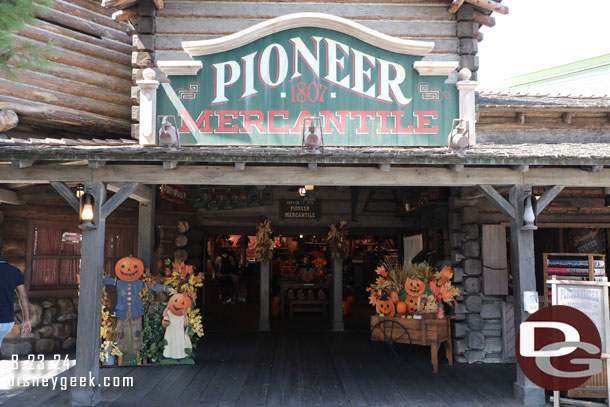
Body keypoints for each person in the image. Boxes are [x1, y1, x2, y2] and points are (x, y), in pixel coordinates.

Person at [0, 237, 31, 349]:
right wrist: (26, 320)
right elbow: (23, 297)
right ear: (2, 252)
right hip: (6, 322)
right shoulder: (14, 271)